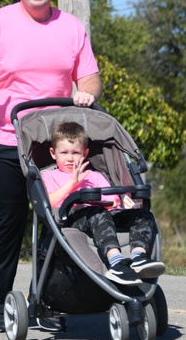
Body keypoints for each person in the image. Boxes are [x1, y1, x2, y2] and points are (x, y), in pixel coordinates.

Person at [0, 0, 102, 334]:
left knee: (54, 220)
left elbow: (90, 80)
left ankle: (48, 299)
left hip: (48, 142)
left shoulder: (71, 28)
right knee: (9, 223)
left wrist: (85, 94)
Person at [42, 121, 166, 285]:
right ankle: (116, 262)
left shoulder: (95, 176)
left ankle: (138, 257)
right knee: (97, 213)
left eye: (75, 152)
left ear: (85, 153)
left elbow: (113, 199)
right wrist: (72, 183)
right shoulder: (48, 175)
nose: (70, 158)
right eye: (64, 152)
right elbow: (48, 203)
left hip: (103, 214)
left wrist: (120, 202)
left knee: (143, 214)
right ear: (53, 153)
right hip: (70, 217)